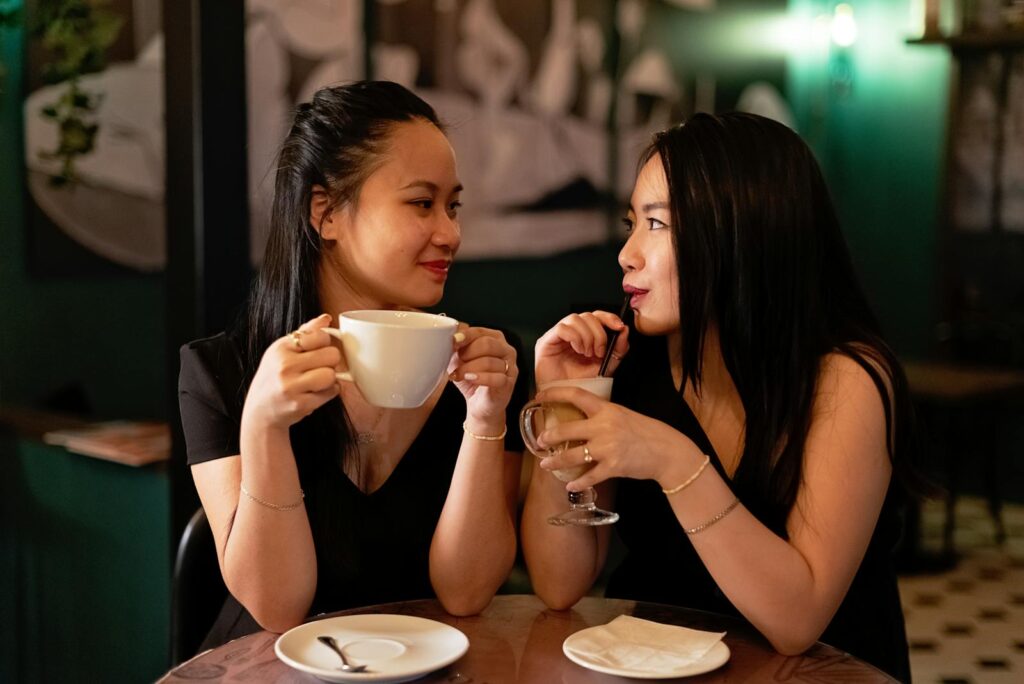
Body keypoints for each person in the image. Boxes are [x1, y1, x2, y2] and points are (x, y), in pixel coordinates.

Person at [521, 112, 918, 682]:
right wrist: (562, 395)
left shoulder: (846, 379)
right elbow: (558, 585)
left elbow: (798, 619)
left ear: (742, 233)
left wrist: (674, 459)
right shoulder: (632, 361)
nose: (627, 253)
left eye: (656, 225)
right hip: (659, 670)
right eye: (632, 222)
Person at [178, 81, 525, 649]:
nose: (452, 233)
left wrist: (485, 420)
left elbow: (466, 592)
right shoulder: (222, 370)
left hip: (423, 663)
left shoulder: (482, 367)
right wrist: (264, 425)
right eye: (422, 203)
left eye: (453, 206)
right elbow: (278, 606)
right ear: (326, 212)